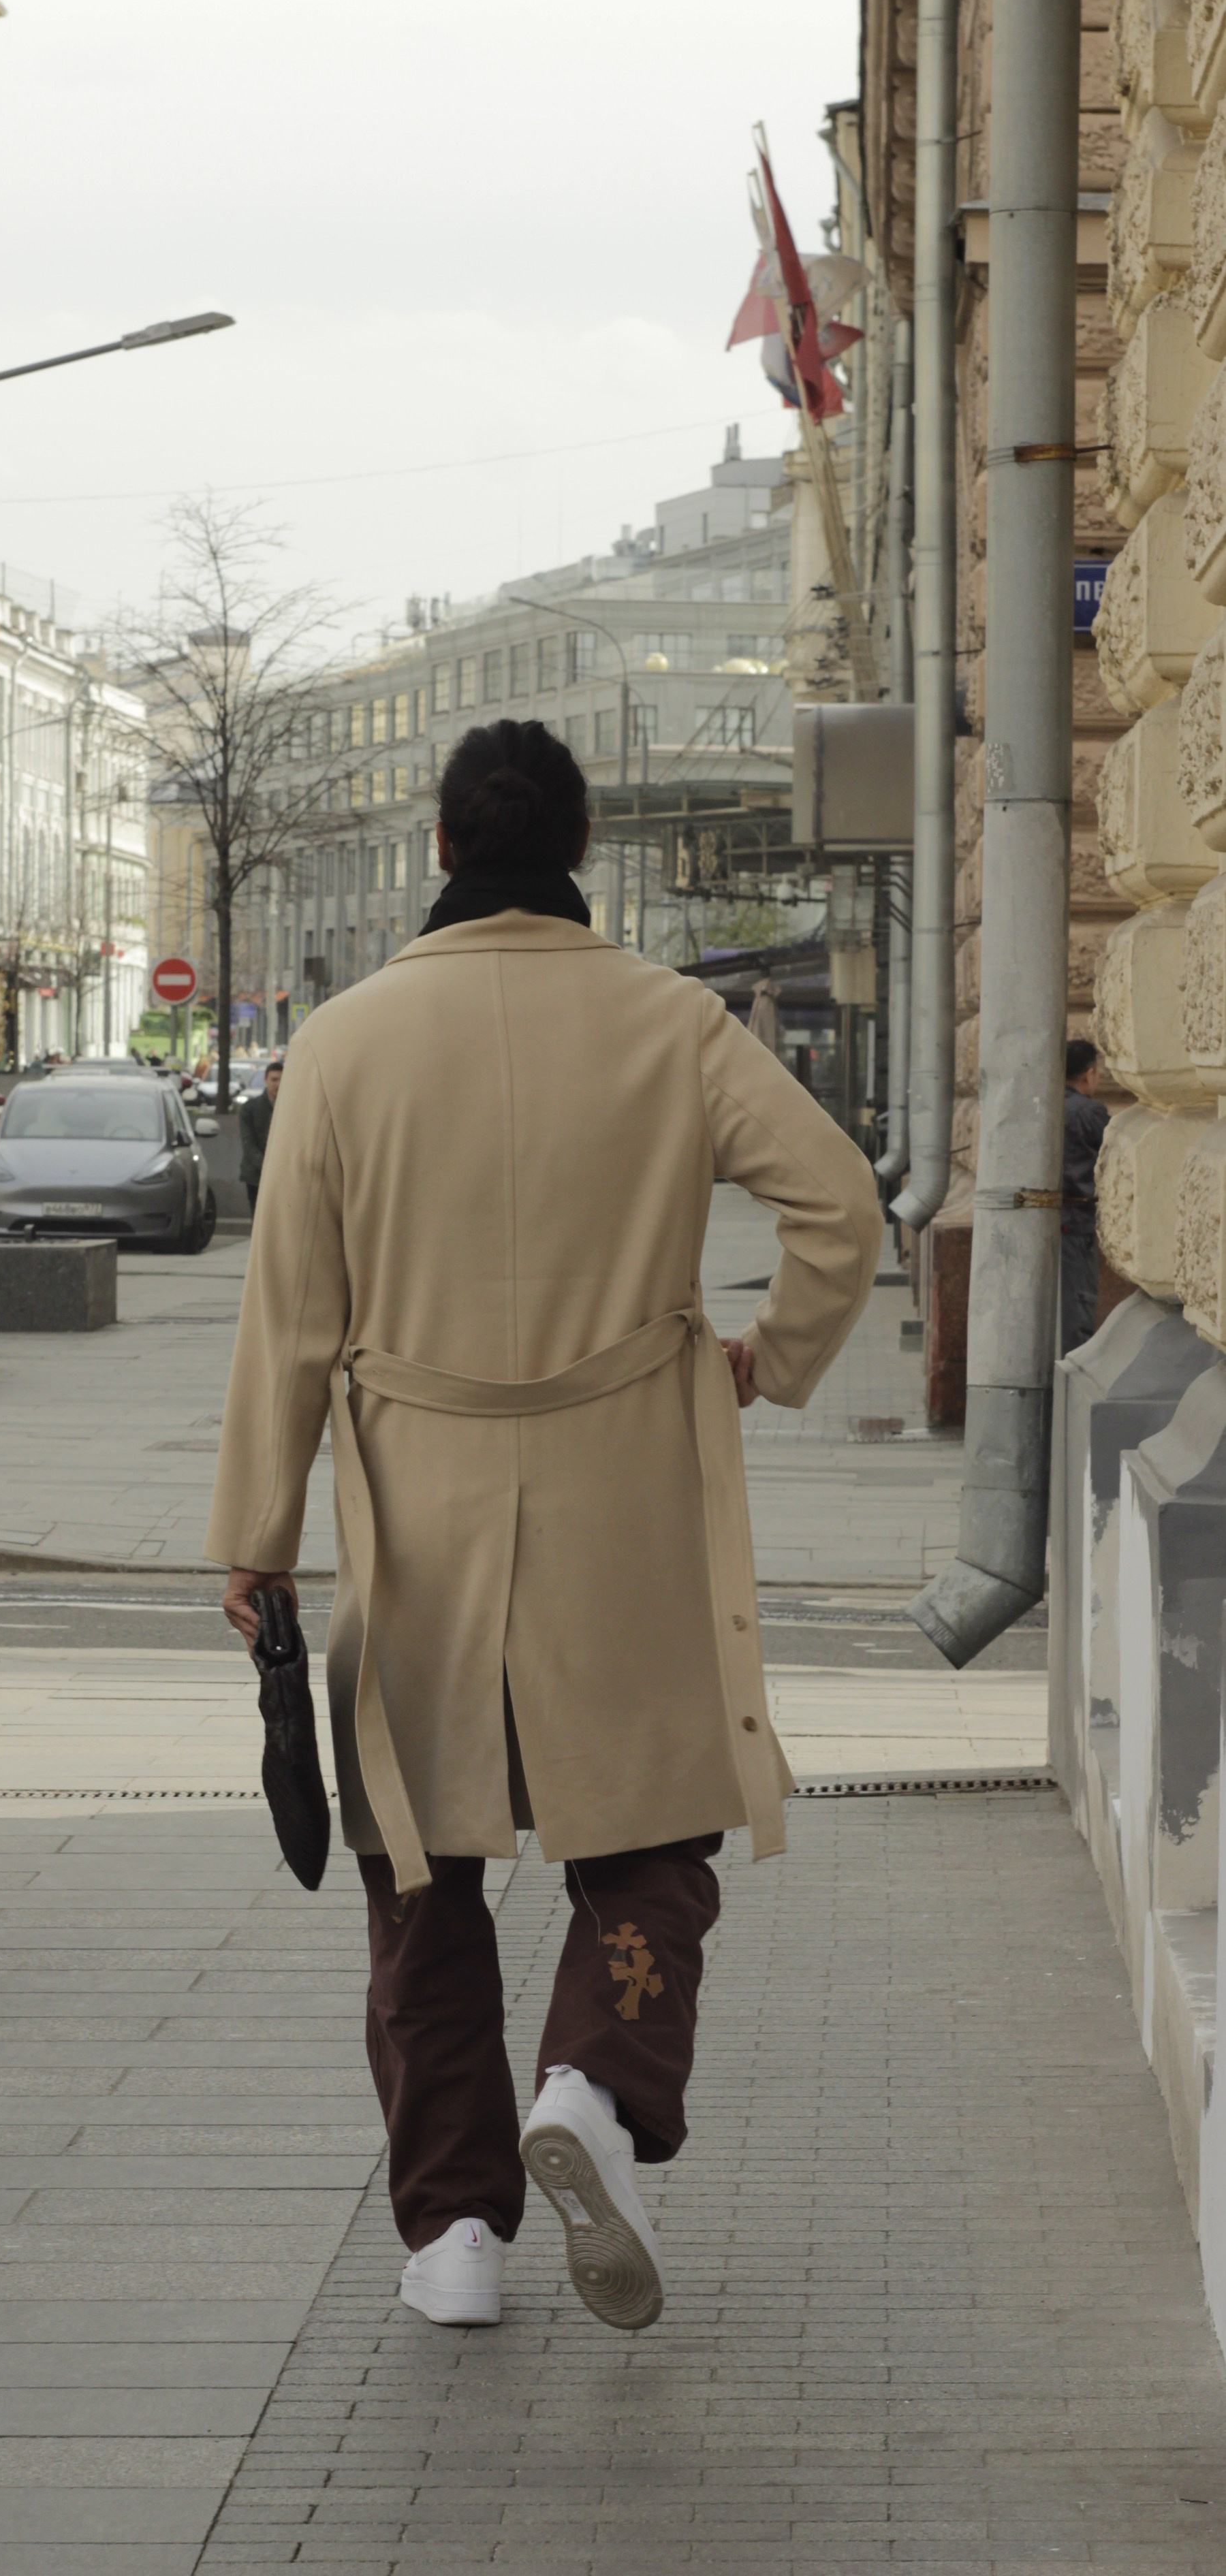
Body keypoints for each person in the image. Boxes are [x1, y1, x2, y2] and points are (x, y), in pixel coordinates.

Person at [208, 718, 880, 2336]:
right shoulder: (672, 1021)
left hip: (416, 1507)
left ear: (440, 848)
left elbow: (288, 1314)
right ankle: (592, 2079)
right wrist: (767, 1356)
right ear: (579, 848)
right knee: (649, 1830)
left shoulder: (344, 1045)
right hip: (622, 1495)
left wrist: (258, 1530)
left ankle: (452, 2231)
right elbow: (839, 1203)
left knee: (418, 1865)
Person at [1061, 1036, 1109, 1354]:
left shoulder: (1048, 1106)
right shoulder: (1089, 1112)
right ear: (1089, 1074)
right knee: (1078, 1302)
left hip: (1052, 1218)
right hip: (1077, 1219)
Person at [238, 1060, 282, 1216]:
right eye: (274, 1080)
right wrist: (266, 1166)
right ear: (266, 1080)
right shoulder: (250, 1109)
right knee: (259, 1218)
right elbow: (248, 1143)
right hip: (256, 1176)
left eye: (281, 1080)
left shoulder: (293, 1109)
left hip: (283, 1176)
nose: (278, 1084)